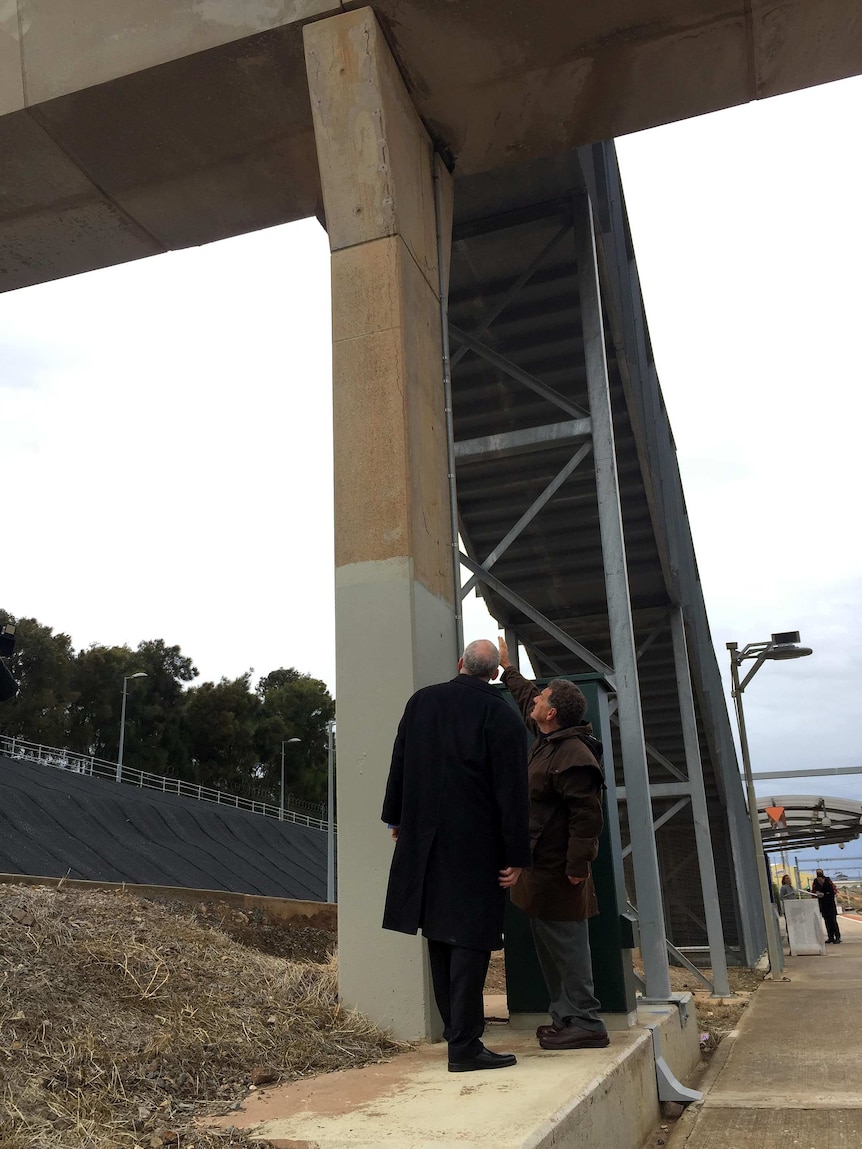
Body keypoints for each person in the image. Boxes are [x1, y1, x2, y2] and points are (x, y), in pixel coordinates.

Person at [381, 638, 531, 1072]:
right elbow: (512, 794)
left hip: (425, 840)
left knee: (440, 936)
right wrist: (516, 855)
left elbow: (400, 761)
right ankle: (464, 1046)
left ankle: (457, 1035)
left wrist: (396, 820)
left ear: (460, 662)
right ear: (495, 672)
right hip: (476, 846)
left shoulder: (422, 701)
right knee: (471, 939)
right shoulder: (502, 716)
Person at [497, 637, 609, 1051]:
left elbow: (588, 818)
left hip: (560, 872)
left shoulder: (574, 755)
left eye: (542, 699)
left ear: (553, 713)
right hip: (540, 869)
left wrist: (577, 867)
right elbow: (526, 694)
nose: (534, 701)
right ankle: (566, 1019)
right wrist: (509, 668)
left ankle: (586, 1021)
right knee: (551, 946)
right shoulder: (550, 740)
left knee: (568, 948)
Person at [812, 868, 841, 943]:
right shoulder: (815, 882)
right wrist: (816, 895)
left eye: (820, 873)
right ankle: (830, 936)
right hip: (823, 905)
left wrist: (825, 895)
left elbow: (833, 891)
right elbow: (813, 892)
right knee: (827, 922)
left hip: (830, 905)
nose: (819, 881)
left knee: (833, 921)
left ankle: (837, 936)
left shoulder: (828, 882)